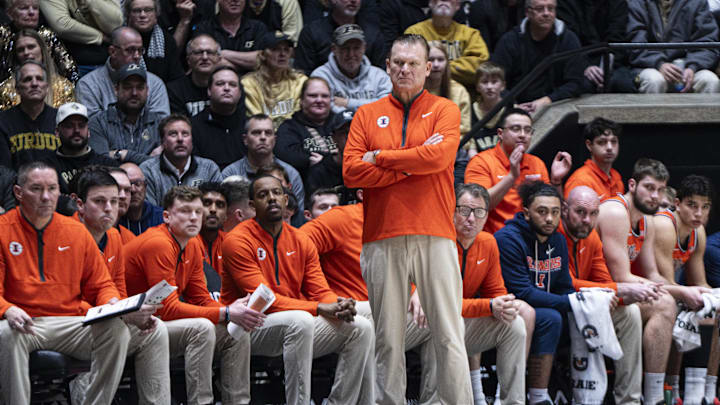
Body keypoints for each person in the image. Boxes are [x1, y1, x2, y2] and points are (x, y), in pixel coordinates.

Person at [343, 34, 473, 404]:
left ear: (428, 68)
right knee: (388, 339)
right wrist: (412, 162)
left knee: (448, 333)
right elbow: (352, 172)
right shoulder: (366, 114)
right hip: (381, 236)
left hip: (436, 232)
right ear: (387, 66)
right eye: (398, 62)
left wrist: (380, 156)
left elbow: (440, 159)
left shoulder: (446, 109)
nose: (404, 69)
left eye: (413, 63)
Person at [221, 174, 375, 404]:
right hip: (248, 327)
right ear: (252, 206)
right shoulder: (238, 240)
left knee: (360, 327)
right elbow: (264, 300)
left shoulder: (300, 240)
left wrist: (336, 304)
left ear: (285, 200)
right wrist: (320, 307)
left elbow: (319, 289)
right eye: (263, 195)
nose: (271, 199)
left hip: (293, 323)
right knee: (300, 321)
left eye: (276, 193)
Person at [0, 162, 130, 404]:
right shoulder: (2, 230)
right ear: (18, 193)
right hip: (26, 324)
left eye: (52, 188)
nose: (46, 196)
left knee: (117, 331)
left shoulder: (76, 231)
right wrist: (7, 309)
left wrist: (111, 302)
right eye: (36, 189)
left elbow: (102, 284)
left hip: (70, 324)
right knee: (6, 334)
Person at [124, 185, 263, 404]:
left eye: (198, 212)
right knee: (202, 328)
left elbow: (202, 298)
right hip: (134, 327)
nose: (194, 217)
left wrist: (235, 312)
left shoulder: (192, 246)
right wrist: (227, 312)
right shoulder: (158, 244)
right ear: (167, 216)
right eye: (185, 211)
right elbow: (168, 309)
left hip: (158, 324)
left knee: (236, 332)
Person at [299, 189, 438, 404]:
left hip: (395, 308)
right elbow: (293, 247)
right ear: (363, 194)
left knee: (440, 319)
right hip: (353, 310)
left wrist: (419, 289)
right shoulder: (340, 218)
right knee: (382, 320)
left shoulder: (404, 222)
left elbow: (421, 265)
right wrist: (318, 294)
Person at [71, 167, 170, 405]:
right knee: (109, 331)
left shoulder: (114, 236)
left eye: (114, 202)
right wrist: (117, 314)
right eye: (100, 201)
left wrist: (127, 311)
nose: (109, 208)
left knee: (155, 329)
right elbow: (66, 298)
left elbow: (117, 287)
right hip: (73, 321)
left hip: (107, 316)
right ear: (79, 204)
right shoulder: (67, 235)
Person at [595, 158, 680, 405]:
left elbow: (652, 274)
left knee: (669, 301)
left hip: (622, 292)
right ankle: (654, 397)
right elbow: (621, 276)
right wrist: (677, 294)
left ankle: (654, 394)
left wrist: (684, 290)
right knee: (665, 304)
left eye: (661, 190)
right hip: (597, 292)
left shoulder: (646, 219)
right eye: (650, 188)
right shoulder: (614, 211)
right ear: (632, 185)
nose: (655, 196)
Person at [559, 185, 646, 405]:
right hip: (558, 305)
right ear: (564, 210)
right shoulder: (555, 234)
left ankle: (629, 400)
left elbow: (604, 282)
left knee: (631, 312)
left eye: (593, 214)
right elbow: (565, 283)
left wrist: (615, 293)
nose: (587, 220)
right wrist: (618, 290)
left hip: (586, 304)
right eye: (580, 212)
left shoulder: (592, 238)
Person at [494, 181, 575, 405]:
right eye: (542, 212)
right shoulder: (507, 239)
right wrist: (573, 302)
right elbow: (522, 292)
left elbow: (564, 286)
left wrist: (580, 303)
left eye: (555, 212)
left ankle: (576, 393)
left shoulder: (558, 239)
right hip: (508, 309)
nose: (549, 218)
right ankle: (521, 394)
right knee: (553, 317)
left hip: (542, 309)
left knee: (576, 316)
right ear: (526, 214)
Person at [451, 183, 533, 405]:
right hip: (435, 324)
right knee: (457, 320)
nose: (471, 219)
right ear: (452, 210)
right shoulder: (441, 243)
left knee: (515, 324)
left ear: (486, 216)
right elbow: (443, 306)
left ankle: (508, 401)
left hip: (464, 321)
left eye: (478, 212)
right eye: (465, 210)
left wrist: (505, 303)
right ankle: (474, 395)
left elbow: (496, 292)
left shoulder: (488, 243)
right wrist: (488, 306)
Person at [654, 175, 715, 404]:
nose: (699, 213)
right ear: (677, 204)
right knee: (678, 307)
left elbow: (699, 282)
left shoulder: (698, 232)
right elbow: (664, 282)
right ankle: (672, 386)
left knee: (712, 311)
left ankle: (703, 392)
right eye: (692, 205)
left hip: (670, 288)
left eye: (705, 207)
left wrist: (714, 297)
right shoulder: (664, 225)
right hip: (647, 288)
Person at [464, 108, 571, 233]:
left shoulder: (536, 163)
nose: (522, 135)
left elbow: (551, 208)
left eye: (527, 130)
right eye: (516, 129)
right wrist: (512, 177)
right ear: (500, 133)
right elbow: (478, 205)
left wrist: (556, 181)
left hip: (532, 238)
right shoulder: (481, 162)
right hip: (497, 238)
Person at [491, 0, 584, 113]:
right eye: (540, 9)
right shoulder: (510, 40)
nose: (546, 13)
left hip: (556, 105)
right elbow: (496, 79)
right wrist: (513, 106)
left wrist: (547, 100)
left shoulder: (568, 39)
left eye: (551, 8)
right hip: (516, 106)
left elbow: (576, 83)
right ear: (528, 12)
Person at [221, 113, 305, 218]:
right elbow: (225, 214)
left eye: (268, 133)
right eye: (256, 133)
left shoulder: (291, 173)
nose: (263, 137)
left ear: (274, 139)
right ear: (245, 139)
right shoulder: (231, 173)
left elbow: (298, 216)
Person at [627, 0, 720, 94]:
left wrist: (693, 67)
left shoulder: (697, 2)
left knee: (710, 80)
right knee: (654, 80)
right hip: (650, 66)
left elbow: (707, 42)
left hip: (689, 66)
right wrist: (659, 64)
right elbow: (635, 42)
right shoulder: (638, 3)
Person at [76, 26, 170, 118]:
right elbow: (92, 128)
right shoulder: (88, 85)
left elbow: (161, 126)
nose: (137, 56)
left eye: (140, 50)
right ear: (113, 52)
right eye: (130, 50)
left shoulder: (154, 84)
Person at [88, 63, 164, 165]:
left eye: (140, 87)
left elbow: (164, 164)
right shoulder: (98, 122)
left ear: (147, 91)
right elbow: (99, 162)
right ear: (116, 90)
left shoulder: (159, 124)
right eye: (128, 87)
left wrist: (122, 154)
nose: (134, 93)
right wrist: (147, 160)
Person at [310, 24, 392, 117]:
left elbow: (388, 106)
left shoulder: (379, 76)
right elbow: (325, 110)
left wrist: (348, 103)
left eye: (356, 48)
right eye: (345, 48)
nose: (351, 54)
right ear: (334, 49)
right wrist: (372, 107)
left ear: (364, 48)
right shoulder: (321, 77)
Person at [141, 114, 222, 206]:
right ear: (162, 141)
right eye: (173, 134)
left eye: (185, 134)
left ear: (192, 140)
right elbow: (150, 213)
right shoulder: (148, 171)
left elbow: (216, 208)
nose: (180, 139)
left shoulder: (209, 169)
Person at [405, 0, 489, 87]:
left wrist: (438, 68)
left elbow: (480, 68)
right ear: (430, 3)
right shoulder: (415, 33)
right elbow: (409, 66)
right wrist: (458, 70)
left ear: (457, 5)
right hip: (425, 94)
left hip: (462, 96)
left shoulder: (471, 35)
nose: (444, 1)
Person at [274, 77, 340, 182]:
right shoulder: (289, 127)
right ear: (301, 100)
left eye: (325, 96)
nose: (319, 100)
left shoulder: (341, 124)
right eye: (313, 96)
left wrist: (324, 161)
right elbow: (288, 156)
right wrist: (333, 159)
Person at [294, 0, 386, 73]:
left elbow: (381, 73)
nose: (353, 0)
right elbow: (304, 74)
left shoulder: (373, 34)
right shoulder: (312, 33)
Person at [0, 60, 60, 171]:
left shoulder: (61, 120)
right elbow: (3, 171)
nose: (34, 84)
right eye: (27, 79)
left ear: (47, 87)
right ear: (17, 88)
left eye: (39, 79)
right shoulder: (3, 122)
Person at [48, 102, 117, 195]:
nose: (76, 130)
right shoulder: (47, 166)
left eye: (81, 126)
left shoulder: (107, 166)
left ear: (88, 131)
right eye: (69, 126)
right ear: (57, 132)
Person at [0, 0, 78, 83]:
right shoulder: (2, 34)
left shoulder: (47, 35)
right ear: (10, 13)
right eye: (24, 8)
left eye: (35, 8)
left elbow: (70, 70)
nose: (31, 12)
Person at [241, 33, 307, 129]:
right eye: (275, 49)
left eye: (286, 50)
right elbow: (258, 123)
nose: (282, 54)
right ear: (262, 55)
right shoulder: (249, 84)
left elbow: (301, 119)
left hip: (295, 137)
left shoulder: (300, 81)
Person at [0, 29, 75, 110]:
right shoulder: (6, 90)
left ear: (42, 50)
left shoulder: (64, 87)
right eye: (20, 49)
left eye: (31, 47)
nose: (26, 52)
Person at [191, 65, 247, 170]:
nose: (226, 88)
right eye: (220, 84)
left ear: (240, 93)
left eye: (232, 85)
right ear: (209, 91)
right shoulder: (193, 126)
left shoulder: (249, 126)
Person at [40, 0, 122, 71]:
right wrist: (100, 37)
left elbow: (115, 25)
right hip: (77, 64)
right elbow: (62, 25)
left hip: (113, 60)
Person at [193, 0, 268, 76]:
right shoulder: (204, 28)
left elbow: (264, 60)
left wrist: (223, 53)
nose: (235, 1)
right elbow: (203, 62)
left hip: (252, 86)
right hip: (217, 84)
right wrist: (246, 65)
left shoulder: (258, 28)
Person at [564, 117, 624, 201]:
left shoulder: (616, 177)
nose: (609, 147)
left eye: (613, 141)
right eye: (602, 142)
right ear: (589, 145)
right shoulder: (580, 180)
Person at [124, 0, 185, 82]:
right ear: (129, 15)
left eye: (148, 10)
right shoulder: (120, 39)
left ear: (156, 14)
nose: (143, 15)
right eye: (137, 11)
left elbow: (176, 78)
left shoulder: (167, 41)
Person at [167, 34, 220, 116]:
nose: (205, 57)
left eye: (210, 52)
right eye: (198, 53)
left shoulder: (229, 86)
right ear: (188, 60)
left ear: (218, 59)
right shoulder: (175, 90)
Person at [424, 41, 471, 134]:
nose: (436, 65)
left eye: (440, 59)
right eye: (431, 60)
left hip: (455, 144)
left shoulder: (459, 91)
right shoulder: (413, 91)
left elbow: (465, 129)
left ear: (447, 62)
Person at [197, 181, 228, 301]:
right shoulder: (184, 243)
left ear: (226, 215)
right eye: (207, 203)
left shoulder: (232, 243)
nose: (213, 210)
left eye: (220, 205)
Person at [467, 61, 506, 156]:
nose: (489, 87)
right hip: (481, 165)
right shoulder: (470, 111)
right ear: (477, 87)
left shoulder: (511, 109)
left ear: (503, 86)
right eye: (484, 82)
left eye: (494, 82)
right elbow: (471, 149)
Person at [117, 162, 164, 235]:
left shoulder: (161, 217)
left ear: (145, 187)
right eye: (127, 185)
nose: (133, 190)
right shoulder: (113, 219)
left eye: (137, 184)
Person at [107, 166, 138, 243]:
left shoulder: (130, 238)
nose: (123, 196)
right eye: (117, 188)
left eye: (127, 190)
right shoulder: (83, 233)